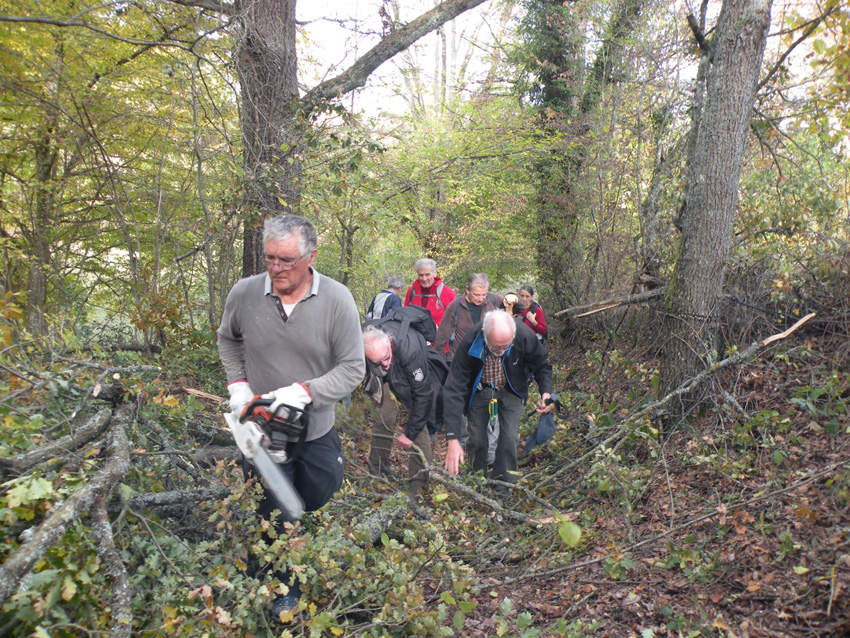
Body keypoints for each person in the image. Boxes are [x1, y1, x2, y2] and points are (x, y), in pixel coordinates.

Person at [217, 214, 365, 620]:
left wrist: (303, 393)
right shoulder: (244, 294)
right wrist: (238, 386)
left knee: (319, 489)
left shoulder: (336, 300)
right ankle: (281, 588)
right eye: (270, 259)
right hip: (263, 432)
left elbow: (354, 369)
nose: (277, 269)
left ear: (310, 256)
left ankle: (291, 527)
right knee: (274, 508)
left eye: (287, 260)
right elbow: (228, 339)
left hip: (315, 427)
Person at [442, 310, 554, 493]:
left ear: (513, 335)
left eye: (506, 347)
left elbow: (542, 365)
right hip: (481, 390)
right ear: (485, 335)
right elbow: (454, 387)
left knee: (509, 438)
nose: (501, 352)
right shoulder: (471, 340)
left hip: (511, 390)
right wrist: (453, 438)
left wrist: (546, 392)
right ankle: (476, 482)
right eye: (496, 347)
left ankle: (503, 487)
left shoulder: (524, 335)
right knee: (477, 439)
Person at [362, 321, 447, 513]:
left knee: (418, 428)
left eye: (386, 358)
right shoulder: (369, 343)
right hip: (389, 379)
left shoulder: (411, 352)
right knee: (384, 418)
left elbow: (422, 398)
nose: (384, 363)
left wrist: (409, 433)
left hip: (417, 383)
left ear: (388, 344)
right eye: (378, 362)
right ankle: (377, 473)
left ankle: (418, 486)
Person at [434, 273, 502, 363]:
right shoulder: (455, 306)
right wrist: (440, 363)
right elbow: (442, 337)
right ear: (467, 290)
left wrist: (512, 298)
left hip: (486, 360)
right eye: (476, 295)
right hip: (462, 360)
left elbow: (517, 307)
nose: (481, 299)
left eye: (484, 294)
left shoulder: (493, 299)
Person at [403, 257, 456, 328]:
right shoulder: (412, 292)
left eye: (427, 274)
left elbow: (456, 319)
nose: (424, 279)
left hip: (438, 337)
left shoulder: (447, 293)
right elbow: (405, 315)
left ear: (434, 273)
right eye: (421, 275)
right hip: (414, 337)